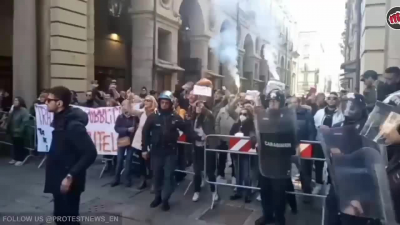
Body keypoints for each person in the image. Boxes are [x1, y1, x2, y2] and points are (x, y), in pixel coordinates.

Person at [44, 86, 97, 225]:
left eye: (49, 100)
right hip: (58, 178)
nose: (45, 102)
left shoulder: (73, 126)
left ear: (59, 103)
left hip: (69, 181)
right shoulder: (59, 120)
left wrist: (70, 176)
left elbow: (90, 152)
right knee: (59, 217)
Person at [255, 89, 298, 225]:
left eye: (275, 101)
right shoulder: (263, 116)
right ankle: (267, 215)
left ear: (281, 102)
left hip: (281, 163)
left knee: (279, 195)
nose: (272, 104)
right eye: (270, 101)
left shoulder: (287, 118)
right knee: (265, 192)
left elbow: (294, 138)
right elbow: (256, 132)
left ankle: (280, 219)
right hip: (265, 161)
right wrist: (254, 139)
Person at [141, 91, 189, 211]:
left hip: (170, 152)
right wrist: (144, 149)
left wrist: (197, 137)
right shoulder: (153, 117)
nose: (164, 104)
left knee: (168, 176)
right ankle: (157, 197)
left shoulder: (176, 117)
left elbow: (187, 129)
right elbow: (145, 133)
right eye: (162, 102)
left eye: (166, 103)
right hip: (156, 152)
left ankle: (165, 199)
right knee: (157, 175)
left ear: (171, 104)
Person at [313, 92, 344, 194]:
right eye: (329, 98)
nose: (331, 100)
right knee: (318, 163)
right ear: (326, 100)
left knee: (332, 164)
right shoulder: (319, 113)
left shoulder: (341, 114)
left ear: (337, 100)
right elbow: (314, 124)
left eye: (334, 98)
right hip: (319, 142)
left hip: (333, 143)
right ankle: (318, 184)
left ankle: (330, 186)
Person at [287, 96, 316, 205]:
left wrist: (308, 144)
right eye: (290, 103)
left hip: (304, 146)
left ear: (299, 103)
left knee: (305, 172)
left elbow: (311, 131)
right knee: (285, 170)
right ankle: (286, 194)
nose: (292, 105)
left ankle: (307, 194)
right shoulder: (286, 115)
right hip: (289, 146)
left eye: (294, 102)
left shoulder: (307, 114)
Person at [191, 100, 219, 203]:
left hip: (207, 147)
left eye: (200, 106)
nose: (198, 107)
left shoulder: (208, 117)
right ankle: (196, 191)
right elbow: (190, 129)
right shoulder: (194, 118)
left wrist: (204, 109)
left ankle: (214, 191)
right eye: (197, 106)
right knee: (197, 171)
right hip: (197, 148)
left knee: (210, 171)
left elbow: (211, 116)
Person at [229, 107, 256, 203]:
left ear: (248, 115)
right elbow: (230, 135)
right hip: (236, 154)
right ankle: (239, 192)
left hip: (246, 155)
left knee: (246, 174)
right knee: (238, 173)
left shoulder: (251, 125)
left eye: (245, 114)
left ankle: (248, 194)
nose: (242, 116)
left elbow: (253, 136)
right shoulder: (236, 125)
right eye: (241, 113)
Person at [130, 95, 158, 190]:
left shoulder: (156, 112)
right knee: (141, 161)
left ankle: (154, 181)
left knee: (151, 162)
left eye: (148, 100)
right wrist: (130, 99)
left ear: (153, 102)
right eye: (145, 100)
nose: (146, 102)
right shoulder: (141, 112)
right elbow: (130, 111)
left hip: (151, 139)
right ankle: (143, 179)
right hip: (140, 139)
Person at [111, 100, 139, 188]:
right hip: (122, 140)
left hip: (131, 141)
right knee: (119, 160)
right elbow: (116, 128)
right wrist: (127, 130)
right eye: (124, 107)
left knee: (129, 160)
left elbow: (138, 127)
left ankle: (127, 179)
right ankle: (116, 178)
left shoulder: (134, 117)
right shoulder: (120, 117)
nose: (125, 110)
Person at [215, 94, 236, 181]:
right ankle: (220, 174)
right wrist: (218, 133)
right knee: (222, 157)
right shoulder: (222, 110)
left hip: (234, 139)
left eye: (233, 99)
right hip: (223, 137)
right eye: (230, 99)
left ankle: (234, 176)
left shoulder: (238, 111)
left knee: (234, 158)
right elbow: (217, 122)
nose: (231, 100)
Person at [6, 97, 29, 166]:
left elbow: (25, 121)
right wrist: (10, 112)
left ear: (20, 102)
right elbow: (9, 120)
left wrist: (20, 130)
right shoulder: (14, 110)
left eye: (16, 100)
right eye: (14, 100)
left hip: (19, 131)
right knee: (15, 145)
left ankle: (20, 159)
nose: (15, 102)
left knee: (20, 145)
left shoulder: (24, 110)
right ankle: (15, 158)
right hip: (13, 130)